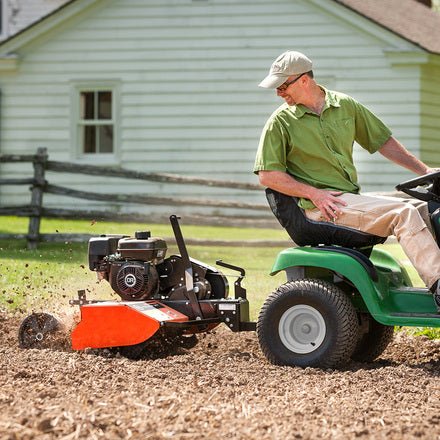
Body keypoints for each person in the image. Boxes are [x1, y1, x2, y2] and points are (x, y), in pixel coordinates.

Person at [254, 50, 440, 308]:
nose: (278, 93)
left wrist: (425, 172)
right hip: (320, 208)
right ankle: (439, 285)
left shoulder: (346, 106)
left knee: (425, 210)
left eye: (283, 86)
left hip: (347, 201)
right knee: (404, 213)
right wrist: (315, 194)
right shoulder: (281, 122)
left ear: (304, 80)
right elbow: (268, 175)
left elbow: (383, 142)